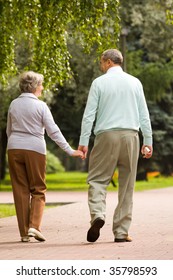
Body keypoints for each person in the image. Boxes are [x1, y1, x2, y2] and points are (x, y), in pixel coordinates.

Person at [78, 49, 153, 243]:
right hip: (131, 136)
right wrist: (148, 141)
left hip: (106, 136)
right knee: (127, 185)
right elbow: (144, 114)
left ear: (108, 62)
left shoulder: (99, 83)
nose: (101, 66)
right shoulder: (135, 82)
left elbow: (89, 115)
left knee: (97, 180)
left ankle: (97, 215)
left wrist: (84, 142)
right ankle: (121, 231)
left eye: (102, 62)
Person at [6, 71, 84, 243]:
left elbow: (9, 130)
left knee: (20, 191)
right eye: (41, 84)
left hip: (14, 148)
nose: (42, 87)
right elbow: (53, 131)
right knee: (38, 189)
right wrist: (70, 151)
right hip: (34, 149)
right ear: (34, 87)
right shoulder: (41, 106)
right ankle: (34, 226)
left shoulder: (13, 104)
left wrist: (12, 146)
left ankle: (24, 233)